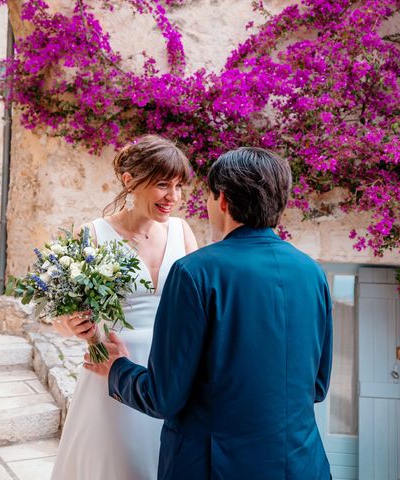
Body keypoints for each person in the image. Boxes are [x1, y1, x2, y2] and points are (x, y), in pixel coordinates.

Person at [86, 147, 333, 479]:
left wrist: (116, 368)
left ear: (223, 201)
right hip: (303, 465)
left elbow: (163, 397)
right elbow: (317, 386)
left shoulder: (194, 273)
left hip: (213, 466)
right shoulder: (312, 274)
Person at [49, 135, 199, 480]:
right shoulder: (93, 234)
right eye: (163, 184)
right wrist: (72, 325)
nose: (173, 197)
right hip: (114, 374)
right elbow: (57, 312)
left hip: (169, 378)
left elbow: (199, 309)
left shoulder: (182, 231)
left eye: (178, 186)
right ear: (130, 180)